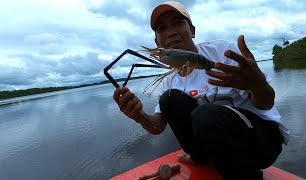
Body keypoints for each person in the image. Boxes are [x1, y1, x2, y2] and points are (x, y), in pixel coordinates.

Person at [113, 1, 289, 179]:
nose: (171, 32)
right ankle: (201, 158)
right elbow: (157, 126)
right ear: (157, 41)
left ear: (193, 31)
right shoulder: (169, 80)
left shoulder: (223, 52)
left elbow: (266, 103)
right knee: (170, 99)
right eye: (161, 28)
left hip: (263, 143)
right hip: (219, 140)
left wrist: (257, 85)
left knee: (204, 114)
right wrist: (138, 115)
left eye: (178, 22)